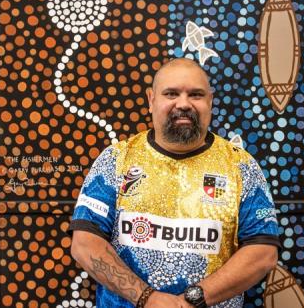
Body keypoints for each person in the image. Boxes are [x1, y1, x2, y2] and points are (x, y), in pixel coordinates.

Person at [69, 58, 279, 308]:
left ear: (210, 101)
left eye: (196, 95)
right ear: (151, 99)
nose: (183, 103)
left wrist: (194, 299)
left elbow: (263, 253)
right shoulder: (116, 160)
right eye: (171, 93)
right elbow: (84, 244)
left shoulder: (241, 166)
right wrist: (148, 298)